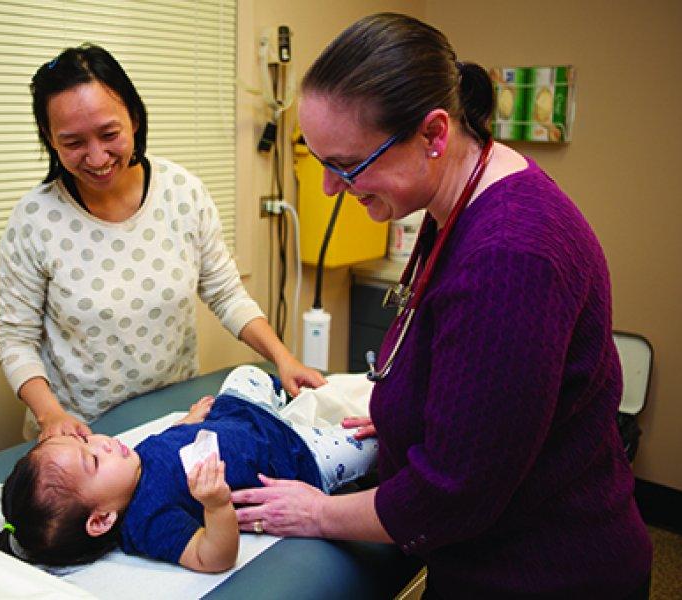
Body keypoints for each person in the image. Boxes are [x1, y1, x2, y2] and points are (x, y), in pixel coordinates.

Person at [229, 13, 653, 599]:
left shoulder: (510, 256)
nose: (329, 189)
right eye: (321, 161)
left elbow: (453, 494)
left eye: (346, 166)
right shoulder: (457, 197)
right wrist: (420, 411)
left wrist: (317, 514)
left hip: (545, 572)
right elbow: (490, 382)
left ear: (433, 134)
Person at [0, 44, 325, 442]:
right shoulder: (34, 220)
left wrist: (283, 359)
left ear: (133, 118)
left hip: (175, 418)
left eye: (109, 134)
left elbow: (226, 294)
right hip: (84, 439)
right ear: (49, 138)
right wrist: (51, 417)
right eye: (73, 143)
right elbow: (16, 340)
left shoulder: (182, 192)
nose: (97, 157)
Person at [0, 365, 377, 572]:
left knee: (247, 373)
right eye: (92, 458)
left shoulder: (126, 464)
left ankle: (278, 402)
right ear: (101, 520)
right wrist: (216, 506)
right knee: (372, 443)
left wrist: (187, 424)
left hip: (241, 416)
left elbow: (165, 445)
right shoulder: (148, 521)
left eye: (85, 440)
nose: (101, 441)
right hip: (293, 459)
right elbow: (213, 557)